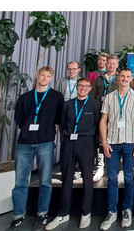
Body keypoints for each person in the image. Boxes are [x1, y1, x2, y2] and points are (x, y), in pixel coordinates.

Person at [9, 66, 64, 230]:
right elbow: (18, 118)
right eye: (42, 75)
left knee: (45, 181)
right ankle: (18, 215)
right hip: (24, 143)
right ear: (37, 76)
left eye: (48, 76)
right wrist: (28, 128)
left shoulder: (56, 97)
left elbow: (58, 118)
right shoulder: (25, 97)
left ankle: (42, 214)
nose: (45, 78)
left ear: (51, 78)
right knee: (20, 181)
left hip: (45, 143)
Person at [45, 78, 100, 230]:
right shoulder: (68, 105)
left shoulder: (94, 105)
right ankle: (63, 213)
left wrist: (93, 143)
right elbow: (62, 123)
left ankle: (86, 212)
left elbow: (97, 124)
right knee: (67, 177)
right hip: (69, 142)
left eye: (86, 86)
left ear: (90, 88)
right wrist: (66, 139)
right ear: (76, 88)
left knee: (87, 179)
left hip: (86, 143)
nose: (82, 88)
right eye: (80, 86)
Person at [99, 68, 134, 230]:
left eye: (127, 77)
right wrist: (103, 142)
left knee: (130, 178)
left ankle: (127, 210)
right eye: (122, 76)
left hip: (130, 142)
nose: (125, 79)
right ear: (118, 78)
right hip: (111, 143)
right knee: (111, 179)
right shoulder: (109, 97)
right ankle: (111, 212)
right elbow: (103, 120)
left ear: (131, 79)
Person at [89, 54, 120, 182]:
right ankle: (100, 167)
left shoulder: (120, 79)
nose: (111, 66)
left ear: (117, 65)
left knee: (114, 140)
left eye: (114, 63)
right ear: (105, 64)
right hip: (100, 113)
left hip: (116, 114)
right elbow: (92, 96)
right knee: (100, 140)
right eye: (109, 63)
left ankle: (114, 168)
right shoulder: (98, 79)